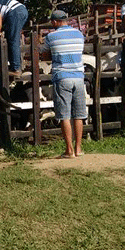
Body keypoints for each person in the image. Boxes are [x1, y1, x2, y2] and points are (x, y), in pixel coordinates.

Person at [41, 10, 86, 158]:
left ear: (54, 22)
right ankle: (79, 148)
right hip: (79, 77)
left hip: (62, 77)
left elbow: (42, 53)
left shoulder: (51, 36)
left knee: (64, 115)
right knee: (78, 115)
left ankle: (69, 150)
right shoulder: (79, 34)